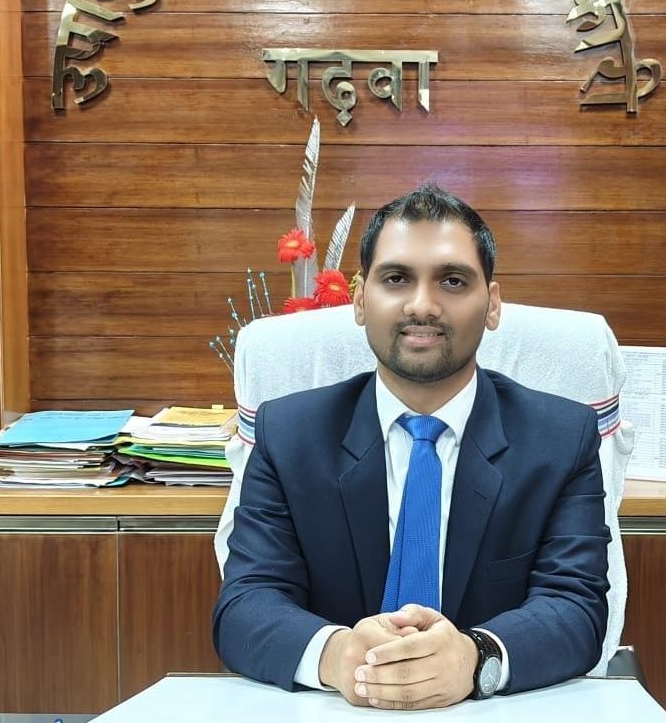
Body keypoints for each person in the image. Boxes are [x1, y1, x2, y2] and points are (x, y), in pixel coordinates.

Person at [213, 183, 610, 710]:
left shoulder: (561, 438)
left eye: (453, 280)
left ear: (492, 305)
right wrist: (336, 655)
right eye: (397, 278)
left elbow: (576, 608)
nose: (423, 305)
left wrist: (476, 658)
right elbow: (246, 604)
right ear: (360, 301)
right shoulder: (290, 434)